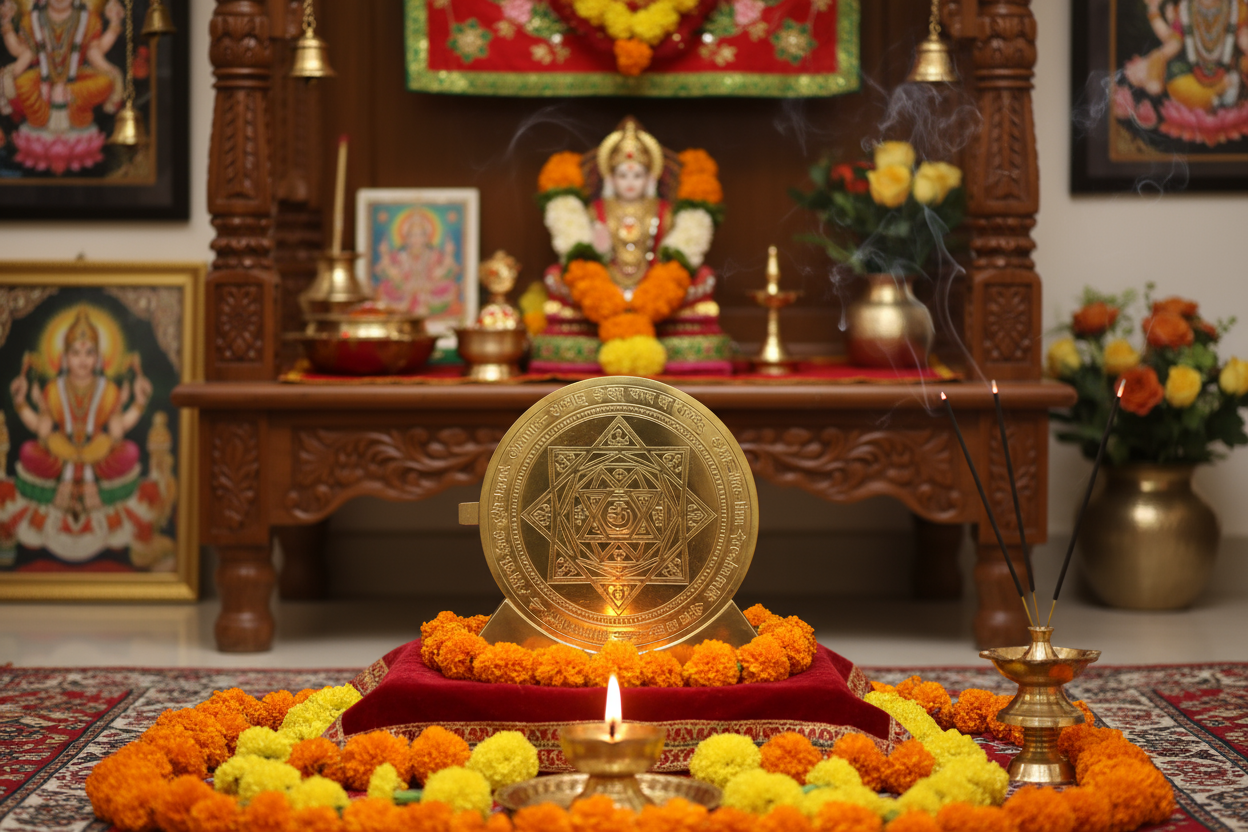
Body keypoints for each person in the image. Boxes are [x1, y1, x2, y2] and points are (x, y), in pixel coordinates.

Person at [0, 0, 125, 174]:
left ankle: (74, 114)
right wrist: (6, 24)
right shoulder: (32, 20)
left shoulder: (88, 19)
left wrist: (114, 24)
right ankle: (41, 119)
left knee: (105, 81)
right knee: (21, 84)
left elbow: (94, 51)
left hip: (75, 81)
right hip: (42, 82)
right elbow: (22, 52)